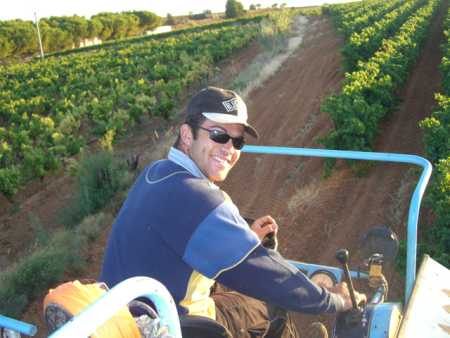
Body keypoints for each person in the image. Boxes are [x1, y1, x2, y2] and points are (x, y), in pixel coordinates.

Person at [100, 86, 366, 337]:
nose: (229, 148)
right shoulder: (200, 198)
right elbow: (266, 275)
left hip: (123, 319)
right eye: (218, 135)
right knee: (270, 304)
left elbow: (178, 236)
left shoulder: (155, 173)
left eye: (237, 141)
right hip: (175, 326)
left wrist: (242, 237)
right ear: (186, 134)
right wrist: (332, 300)